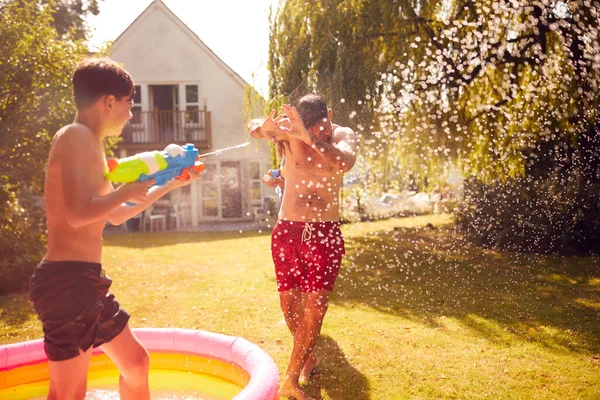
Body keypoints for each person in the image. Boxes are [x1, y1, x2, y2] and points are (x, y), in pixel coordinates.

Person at [28, 58, 201, 400]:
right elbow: (77, 214)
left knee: (136, 364)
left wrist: (167, 186)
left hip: (85, 282)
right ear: (109, 102)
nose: (131, 114)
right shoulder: (76, 136)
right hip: (66, 283)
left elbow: (116, 214)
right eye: (129, 105)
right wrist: (125, 190)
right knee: (68, 394)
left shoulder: (90, 142)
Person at [248, 94, 357, 400]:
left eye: (322, 128)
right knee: (288, 304)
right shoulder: (289, 129)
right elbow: (255, 127)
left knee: (316, 306)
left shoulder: (343, 135)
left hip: (324, 232)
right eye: (311, 129)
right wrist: (265, 127)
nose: (319, 134)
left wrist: (306, 136)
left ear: (330, 115)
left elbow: (345, 162)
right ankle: (308, 356)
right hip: (288, 230)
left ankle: (291, 380)